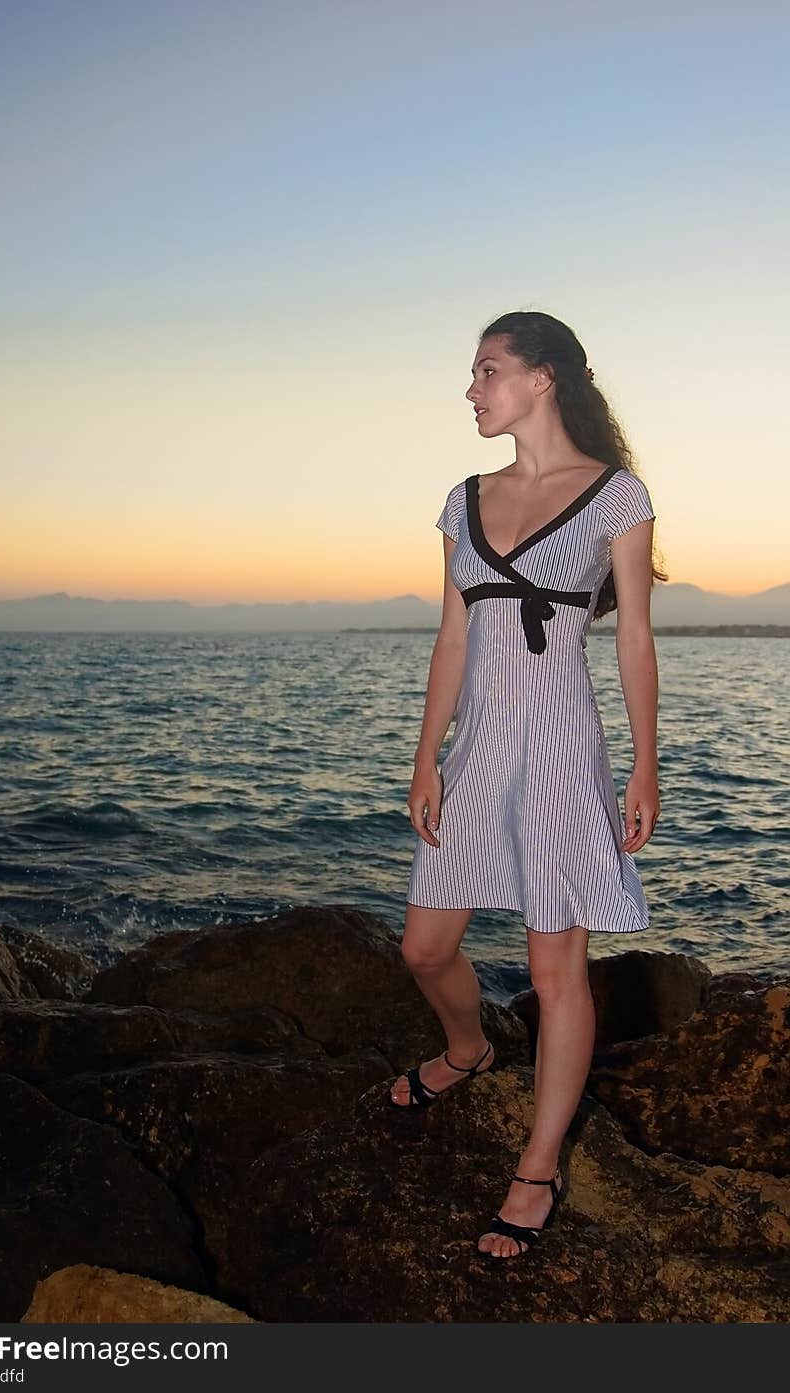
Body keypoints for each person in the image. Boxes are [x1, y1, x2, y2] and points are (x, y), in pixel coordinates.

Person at [392, 310, 665, 1261]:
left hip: (558, 749)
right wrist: (428, 755)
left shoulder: (615, 496)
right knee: (423, 950)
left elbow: (633, 634)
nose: (472, 389)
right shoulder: (464, 499)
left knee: (556, 974)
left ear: (542, 379)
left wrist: (645, 760)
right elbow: (454, 636)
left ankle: (538, 1166)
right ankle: (468, 1048)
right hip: (478, 751)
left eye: (487, 370)